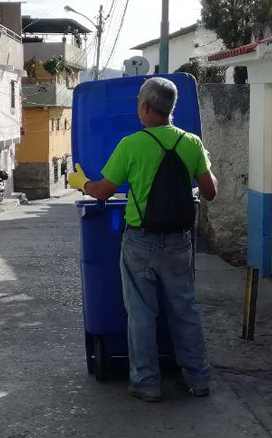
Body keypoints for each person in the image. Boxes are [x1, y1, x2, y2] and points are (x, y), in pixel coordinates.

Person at [68, 77, 217, 403]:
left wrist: (82, 182)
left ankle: (147, 384)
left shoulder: (131, 145)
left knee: (141, 314)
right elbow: (210, 192)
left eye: (138, 103)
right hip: (180, 241)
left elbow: (104, 192)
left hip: (141, 243)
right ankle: (197, 379)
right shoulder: (191, 143)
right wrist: (201, 160)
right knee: (185, 311)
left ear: (146, 107)